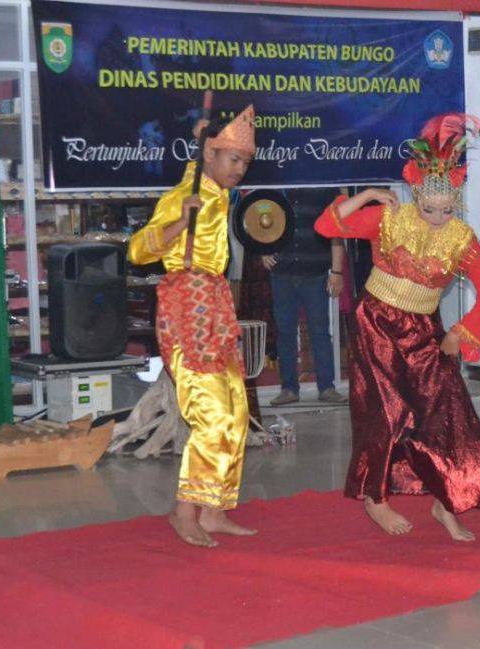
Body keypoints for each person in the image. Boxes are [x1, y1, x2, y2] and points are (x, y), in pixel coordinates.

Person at [313, 113, 480, 542]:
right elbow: (327, 226)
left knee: (447, 412)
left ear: (456, 200)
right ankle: (375, 496)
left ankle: (447, 501)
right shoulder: (390, 219)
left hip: (425, 330)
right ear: (415, 194)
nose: (438, 217)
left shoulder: (461, 238)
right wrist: (365, 194)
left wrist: (461, 333)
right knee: (385, 411)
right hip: (376, 322)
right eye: (429, 208)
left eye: (446, 209)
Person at [128, 106, 257, 548]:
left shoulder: (215, 189)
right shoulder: (182, 198)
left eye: (245, 162)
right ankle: (184, 511)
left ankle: (214, 509)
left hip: (216, 305)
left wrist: (203, 139)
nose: (240, 169)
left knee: (236, 410)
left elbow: (196, 168)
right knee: (211, 414)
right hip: (186, 309)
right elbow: (137, 252)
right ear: (211, 154)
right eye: (233, 160)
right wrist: (180, 222)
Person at [263, 188, 348, 406]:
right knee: (285, 333)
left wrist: (337, 272)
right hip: (282, 272)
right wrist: (263, 250)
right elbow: (260, 221)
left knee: (320, 332)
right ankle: (289, 389)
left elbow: (337, 232)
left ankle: (327, 387)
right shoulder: (275, 189)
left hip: (316, 273)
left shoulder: (325, 189)